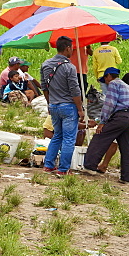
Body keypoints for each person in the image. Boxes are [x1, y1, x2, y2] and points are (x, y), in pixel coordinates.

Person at [83, 67, 129, 183]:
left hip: (120, 116)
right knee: (126, 147)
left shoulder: (113, 84)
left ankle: (90, 166)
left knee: (100, 137)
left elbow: (109, 104)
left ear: (108, 76)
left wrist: (102, 122)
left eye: (105, 79)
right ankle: (127, 177)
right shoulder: (127, 86)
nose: (106, 82)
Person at [40, 36, 85, 176]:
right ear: (67, 48)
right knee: (69, 138)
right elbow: (75, 90)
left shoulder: (45, 64)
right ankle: (63, 169)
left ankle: (48, 165)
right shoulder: (69, 67)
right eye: (71, 48)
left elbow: (44, 87)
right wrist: (80, 109)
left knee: (57, 136)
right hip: (68, 107)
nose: (72, 51)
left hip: (54, 105)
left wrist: (50, 103)